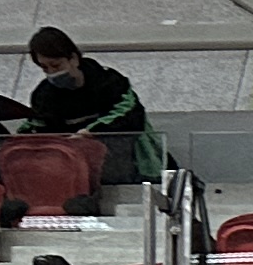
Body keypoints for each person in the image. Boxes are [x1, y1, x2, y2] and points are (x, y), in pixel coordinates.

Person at [23, 26, 163, 181]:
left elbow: (130, 115)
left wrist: (90, 132)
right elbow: (38, 126)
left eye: (56, 66)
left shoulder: (110, 82)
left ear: (73, 59)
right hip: (74, 170)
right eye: (44, 68)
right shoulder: (43, 96)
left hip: (126, 163)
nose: (52, 73)